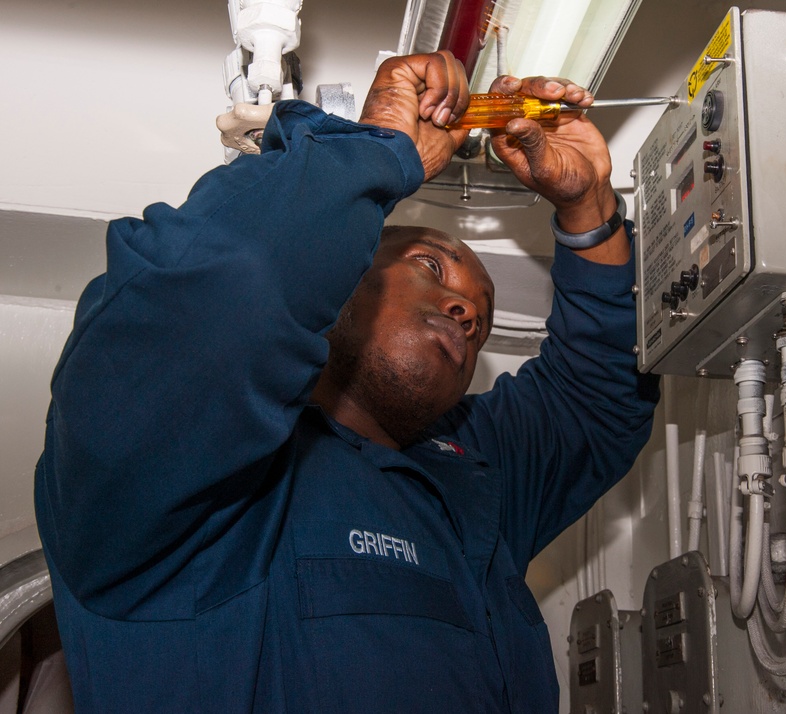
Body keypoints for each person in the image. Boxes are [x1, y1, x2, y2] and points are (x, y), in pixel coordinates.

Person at [34, 51, 660, 712]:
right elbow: (225, 287)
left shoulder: (475, 474)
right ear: (339, 280)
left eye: (480, 321)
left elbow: (597, 400)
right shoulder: (192, 476)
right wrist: (377, 153)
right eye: (430, 267)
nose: (467, 311)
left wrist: (589, 207)